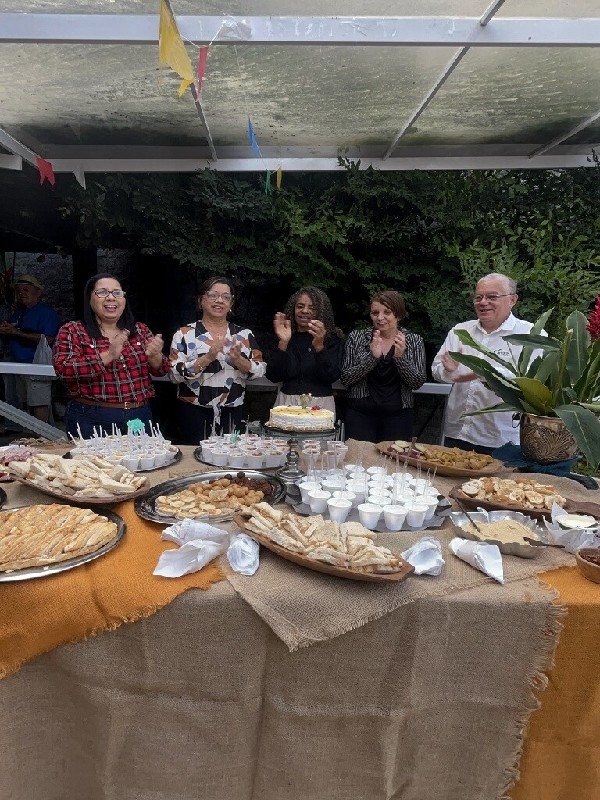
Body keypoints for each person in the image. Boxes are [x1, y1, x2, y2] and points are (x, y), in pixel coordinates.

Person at [53, 273, 170, 438]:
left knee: (143, 455)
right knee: (92, 456)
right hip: (91, 416)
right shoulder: (73, 330)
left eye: (117, 292)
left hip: (138, 415)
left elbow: (162, 369)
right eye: (102, 292)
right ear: (89, 299)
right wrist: (108, 355)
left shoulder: (140, 330)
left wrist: (155, 356)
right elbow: (64, 370)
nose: (110, 297)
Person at [431, 272, 536, 454]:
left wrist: (486, 372)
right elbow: (437, 372)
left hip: (501, 440)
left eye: (492, 297)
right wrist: (449, 372)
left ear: (512, 300)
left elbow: (533, 383)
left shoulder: (530, 335)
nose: (483, 302)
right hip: (457, 433)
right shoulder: (460, 331)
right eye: (478, 297)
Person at [169, 276, 266, 444]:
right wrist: (208, 357)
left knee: (231, 455)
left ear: (231, 303)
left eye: (226, 297)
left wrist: (238, 360)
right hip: (194, 411)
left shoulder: (244, 335)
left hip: (232, 410)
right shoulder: (184, 333)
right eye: (213, 295)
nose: (219, 300)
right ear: (201, 300)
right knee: (195, 456)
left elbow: (259, 369)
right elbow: (174, 374)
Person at [340, 290, 426, 443]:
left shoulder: (414, 341)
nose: (380, 317)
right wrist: (372, 358)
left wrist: (400, 358)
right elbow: (346, 378)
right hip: (360, 415)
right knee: (358, 457)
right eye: (375, 313)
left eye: (387, 312)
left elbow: (417, 382)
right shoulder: (357, 338)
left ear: (398, 315)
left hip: (398, 417)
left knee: (393, 458)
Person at [266, 286, 344, 414]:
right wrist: (283, 343)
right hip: (286, 404)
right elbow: (273, 376)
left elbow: (331, 376)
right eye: (300, 306)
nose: (305, 311)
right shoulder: (284, 335)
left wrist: (319, 347)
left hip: (321, 406)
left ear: (321, 311)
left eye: (312, 308)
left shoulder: (331, 339)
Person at [0, 274, 61, 423]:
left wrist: (16, 332)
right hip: (20, 364)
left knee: (39, 402)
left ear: (38, 292)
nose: (21, 293)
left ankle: (42, 434)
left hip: (37, 364)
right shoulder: (19, 312)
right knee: (27, 402)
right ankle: (36, 433)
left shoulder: (46, 313)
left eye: (26, 290)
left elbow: (48, 339)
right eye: (18, 291)